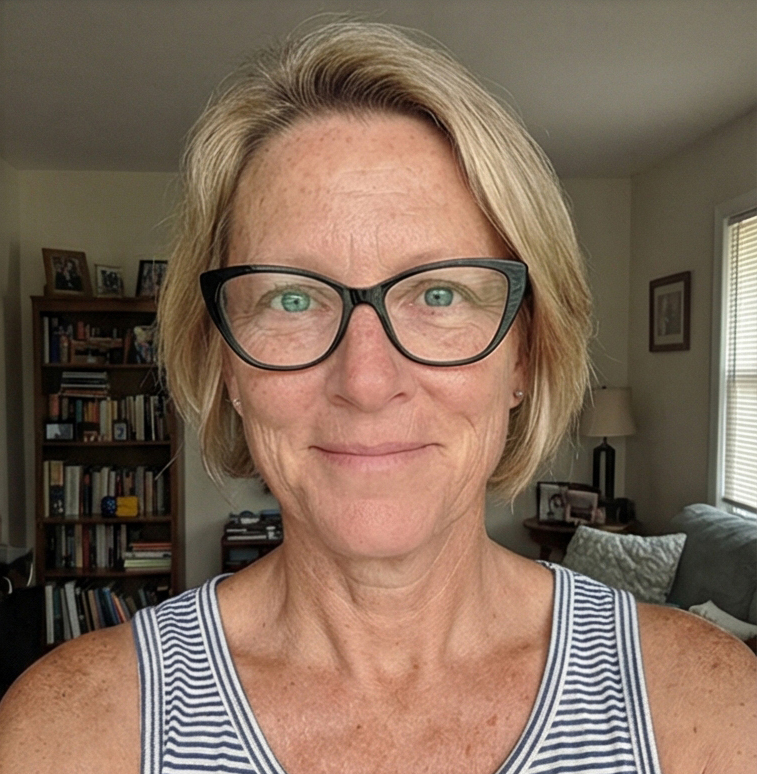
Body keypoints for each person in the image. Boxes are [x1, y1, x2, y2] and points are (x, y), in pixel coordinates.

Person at [0, 21, 754, 774]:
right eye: (292, 299)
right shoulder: (71, 733)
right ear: (225, 362)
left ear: (524, 352)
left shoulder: (708, 711)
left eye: (439, 293)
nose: (364, 382)